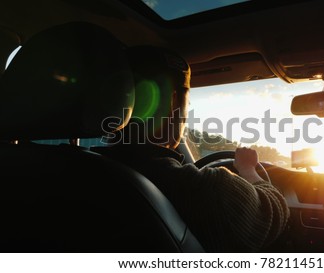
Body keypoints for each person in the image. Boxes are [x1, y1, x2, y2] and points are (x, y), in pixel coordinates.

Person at [99, 45, 289, 252]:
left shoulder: (77, 171)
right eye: (186, 104)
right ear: (173, 104)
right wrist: (248, 169)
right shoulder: (204, 189)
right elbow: (273, 210)